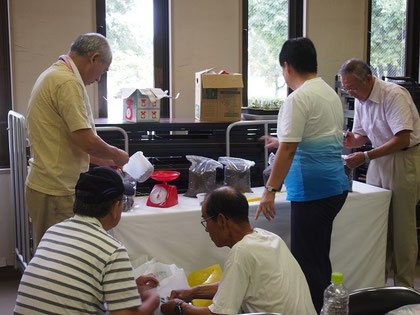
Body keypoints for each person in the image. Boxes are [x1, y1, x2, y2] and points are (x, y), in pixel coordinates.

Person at [255, 37, 349, 312]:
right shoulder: (328, 93)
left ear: (287, 66)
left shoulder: (298, 99)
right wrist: (281, 141)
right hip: (333, 187)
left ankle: (312, 309)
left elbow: (288, 151)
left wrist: (269, 191)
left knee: (307, 262)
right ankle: (327, 308)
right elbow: (309, 136)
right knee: (318, 258)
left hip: (314, 190)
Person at [26, 33, 129, 247]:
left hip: (50, 183)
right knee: (59, 259)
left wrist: (106, 162)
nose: (98, 79)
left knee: (55, 255)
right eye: (104, 70)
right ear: (94, 58)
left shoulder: (55, 74)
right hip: (55, 188)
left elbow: (73, 140)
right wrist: (118, 155)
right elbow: (87, 141)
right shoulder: (66, 82)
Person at [14, 166, 160, 314]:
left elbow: (71, 287)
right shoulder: (113, 251)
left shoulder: (53, 231)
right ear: (116, 208)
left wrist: (127, 288)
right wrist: (154, 298)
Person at [161, 186, 316, 315]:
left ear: (221, 220)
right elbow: (236, 284)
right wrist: (192, 292)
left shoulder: (241, 252)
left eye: (206, 220)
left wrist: (180, 307)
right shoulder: (270, 238)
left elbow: (218, 314)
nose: (207, 229)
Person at [339, 58, 420, 287]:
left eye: (353, 87)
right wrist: (350, 140)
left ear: (368, 78)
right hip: (378, 159)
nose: (351, 93)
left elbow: (402, 138)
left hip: (404, 158)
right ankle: (377, 283)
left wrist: (365, 156)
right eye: (346, 89)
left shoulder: (394, 95)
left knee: (401, 229)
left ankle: (405, 288)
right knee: (377, 221)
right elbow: (361, 136)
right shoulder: (361, 99)